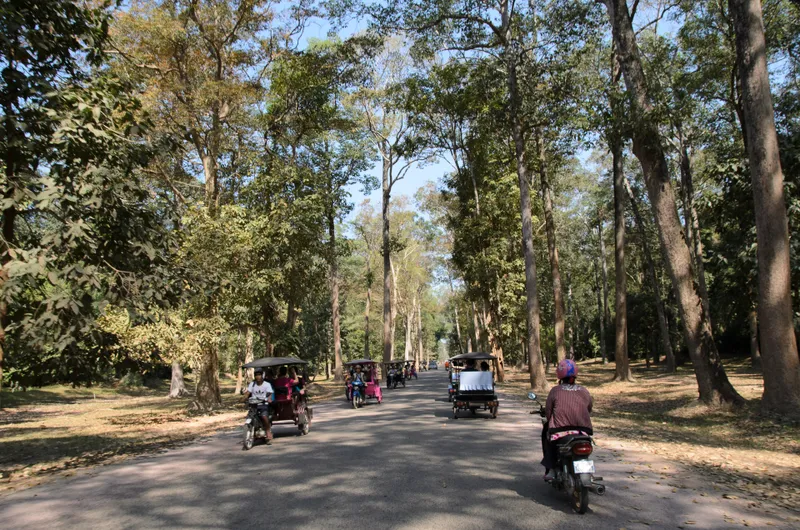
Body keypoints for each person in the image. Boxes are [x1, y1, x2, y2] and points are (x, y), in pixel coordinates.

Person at [541, 359, 593, 481]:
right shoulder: (584, 390)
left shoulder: (555, 390)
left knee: (547, 435)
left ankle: (551, 469)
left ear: (559, 375)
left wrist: (550, 420)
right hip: (583, 431)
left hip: (560, 430)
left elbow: (549, 411)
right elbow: (589, 408)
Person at [241, 369, 274, 444]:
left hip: (263, 404)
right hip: (253, 404)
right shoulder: (252, 384)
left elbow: (270, 393)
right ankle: (252, 429)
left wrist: (268, 398)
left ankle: (268, 432)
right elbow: (248, 393)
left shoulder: (267, 384)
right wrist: (243, 399)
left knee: (264, 416)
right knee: (250, 415)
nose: (257, 376)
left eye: (259, 374)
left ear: (262, 375)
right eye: (256, 375)